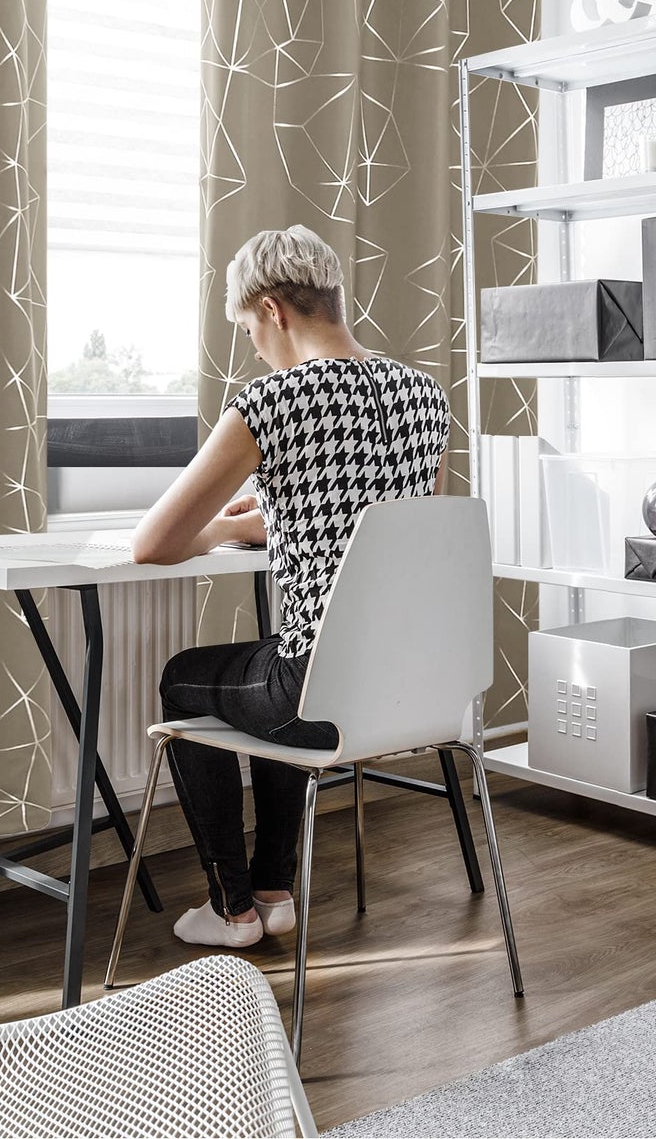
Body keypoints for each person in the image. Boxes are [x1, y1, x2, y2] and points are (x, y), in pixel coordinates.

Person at [132, 224, 451, 948]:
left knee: (185, 677)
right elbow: (393, 532)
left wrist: (217, 528)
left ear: (272, 310)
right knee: (284, 658)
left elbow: (152, 543)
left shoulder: (271, 402)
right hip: (408, 685)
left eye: (248, 327)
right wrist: (265, 523)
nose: (252, 344)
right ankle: (274, 889)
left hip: (316, 696)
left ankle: (232, 908)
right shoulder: (424, 395)